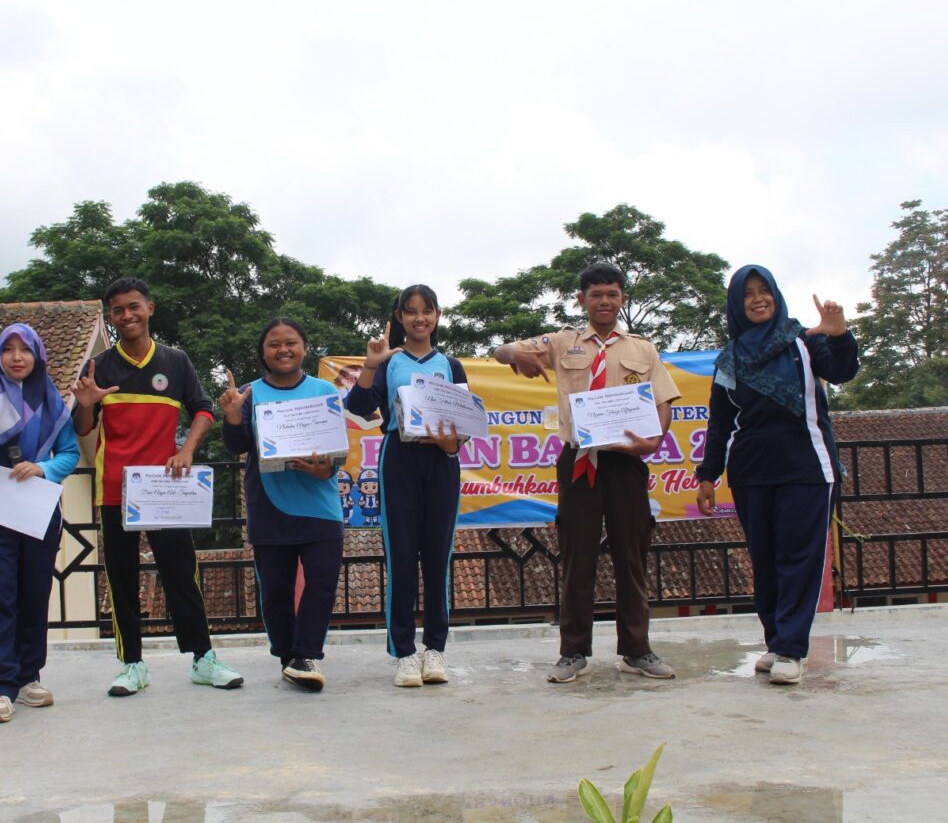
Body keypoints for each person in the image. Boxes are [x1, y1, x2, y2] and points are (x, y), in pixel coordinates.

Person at [494, 263, 681, 682]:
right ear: (582, 300)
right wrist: (515, 355)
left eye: (612, 294)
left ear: (623, 299)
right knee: (577, 556)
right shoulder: (563, 342)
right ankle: (573, 652)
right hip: (579, 460)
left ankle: (637, 650)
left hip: (626, 462)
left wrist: (653, 441)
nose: (604, 301)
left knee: (632, 556)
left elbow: (663, 401)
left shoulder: (643, 349)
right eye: (596, 294)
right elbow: (502, 351)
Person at [72, 277, 243, 696]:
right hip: (115, 488)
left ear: (150, 308)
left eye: (133, 306)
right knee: (121, 578)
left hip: (166, 489)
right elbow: (83, 428)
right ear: (110, 318)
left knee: (182, 574)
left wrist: (187, 449)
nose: (126, 315)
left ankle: (203, 659)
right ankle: (132, 664)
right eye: (117, 310)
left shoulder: (175, 361)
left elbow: (203, 409)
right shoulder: (98, 368)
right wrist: (87, 404)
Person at [695, 265, 858, 685]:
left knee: (798, 558)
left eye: (763, 290)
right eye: (747, 294)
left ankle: (791, 649)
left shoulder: (805, 339)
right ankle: (776, 641)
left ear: (776, 295)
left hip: (806, 465)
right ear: (737, 305)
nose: (757, 299)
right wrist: (708, 474)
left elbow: (842, 371)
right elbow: (720, 421)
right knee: (765, 560)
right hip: (750, 470)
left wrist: (839, 335)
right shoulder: (729, 358)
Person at [0, 323, 80, 724]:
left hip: (37, 507)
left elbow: (70, 453)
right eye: (7, 349)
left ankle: (28, 678)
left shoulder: (54, 401)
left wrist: (43, 469)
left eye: (24, 349)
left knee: (34, 594)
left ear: (37, 355)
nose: (16, 357)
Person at [346, 285, 465, 688]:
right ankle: (404, 653)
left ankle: (435, 649)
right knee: (400, 557)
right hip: (399, 457)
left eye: (427, 311)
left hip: (442, 462)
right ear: (399, 317)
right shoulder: (388, 362)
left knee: (438, 557)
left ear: (437, 315)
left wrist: (450, 444)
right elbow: (358, 407)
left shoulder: (450, 365)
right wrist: (370, 364)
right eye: (411, 311)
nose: (419, 318)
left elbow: (463, 424)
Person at [220, 318, 345, 692]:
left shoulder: (324, 390)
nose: (283, 349)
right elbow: (238, 446)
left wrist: (327, 469)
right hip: (269, 505)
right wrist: (232, 415)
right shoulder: (248, 393)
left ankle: (305, 654)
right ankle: (289, 656)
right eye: (274, 344)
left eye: (291, 342)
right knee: (275, 590)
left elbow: (336, 452)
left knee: (321, 583)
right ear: (263, 352)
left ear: (304, 347)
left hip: (319, 504)